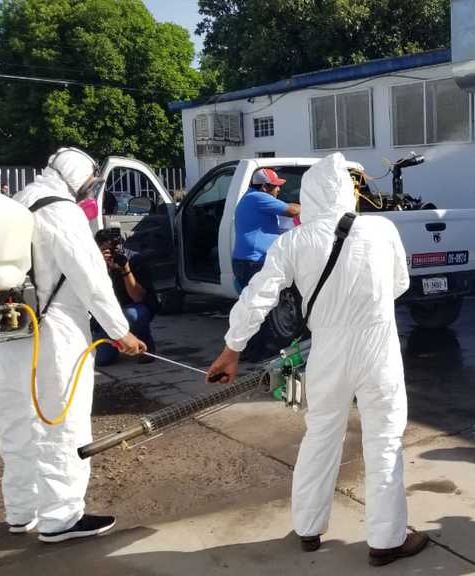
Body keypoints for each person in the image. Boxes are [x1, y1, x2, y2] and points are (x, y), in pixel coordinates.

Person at [206, 153, 429, 565]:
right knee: (384, 440)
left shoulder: (294, 241)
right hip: (377, 347)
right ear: (346, 191)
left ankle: (308, 527)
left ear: (308, 194)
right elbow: (400, 283)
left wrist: (232, 349)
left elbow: (258, 296)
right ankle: (386, 541)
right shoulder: (381, 228)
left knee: (321, 435)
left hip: (327, 349)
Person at [0, 147, 146, 543]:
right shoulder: (62, 211)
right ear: (77, 179)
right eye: (89, 185)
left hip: (9, 332)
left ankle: (21, 512)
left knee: (17, 424)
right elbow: (90, 277)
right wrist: (120, 331)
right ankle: (61, 519)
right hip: (54, 337)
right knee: (63, 424)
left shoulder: (16, 203)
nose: (89, 193)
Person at [231, 167, 300, 359]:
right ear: (264, 187)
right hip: (253, 261)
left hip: (249, 260)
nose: (278, 189)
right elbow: (293, 210)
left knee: (254, 306)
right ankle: (254, 352)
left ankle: (251, 349)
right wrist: (316, 206)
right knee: (257, 307)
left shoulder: (251, 198)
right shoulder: (257, 198)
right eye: (275, 186)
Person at [91, 228, 158, 366]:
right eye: (106, 250)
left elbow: (138, 297)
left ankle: (145, 345)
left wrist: (125, 269)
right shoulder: (92, 262)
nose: (111, 254)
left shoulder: (134, 259)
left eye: (113, 249)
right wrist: (101, 267)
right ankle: (118, 344)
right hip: (106, 314)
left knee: (133, 314)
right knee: (102, 360)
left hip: (131, 309)